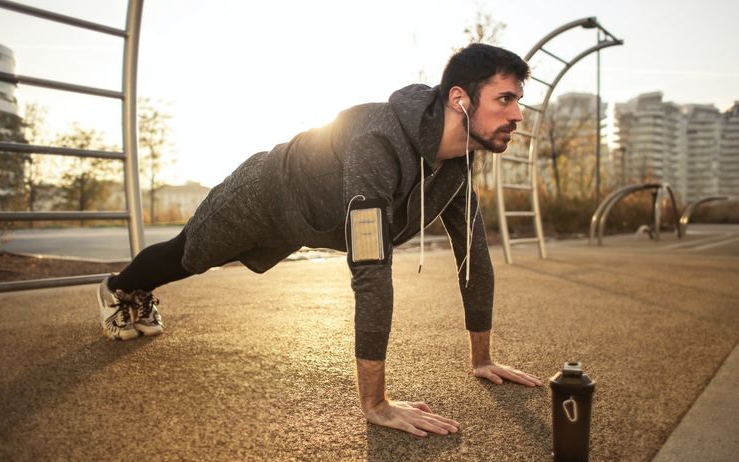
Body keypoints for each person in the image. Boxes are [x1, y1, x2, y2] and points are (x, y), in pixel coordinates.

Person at [96, 43, 543, 438]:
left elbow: (475, 257)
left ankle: (135, 289)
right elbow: (370, 266)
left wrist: (482, 359)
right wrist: (376, 403)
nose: (517, 115)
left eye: (519, 101)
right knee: (188, 256)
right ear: (460, 99)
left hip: (311, 220)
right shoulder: (378, 142)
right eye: (505, 99)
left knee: (192, 256)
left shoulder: (458, 167)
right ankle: (119, 286)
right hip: (263, 194)